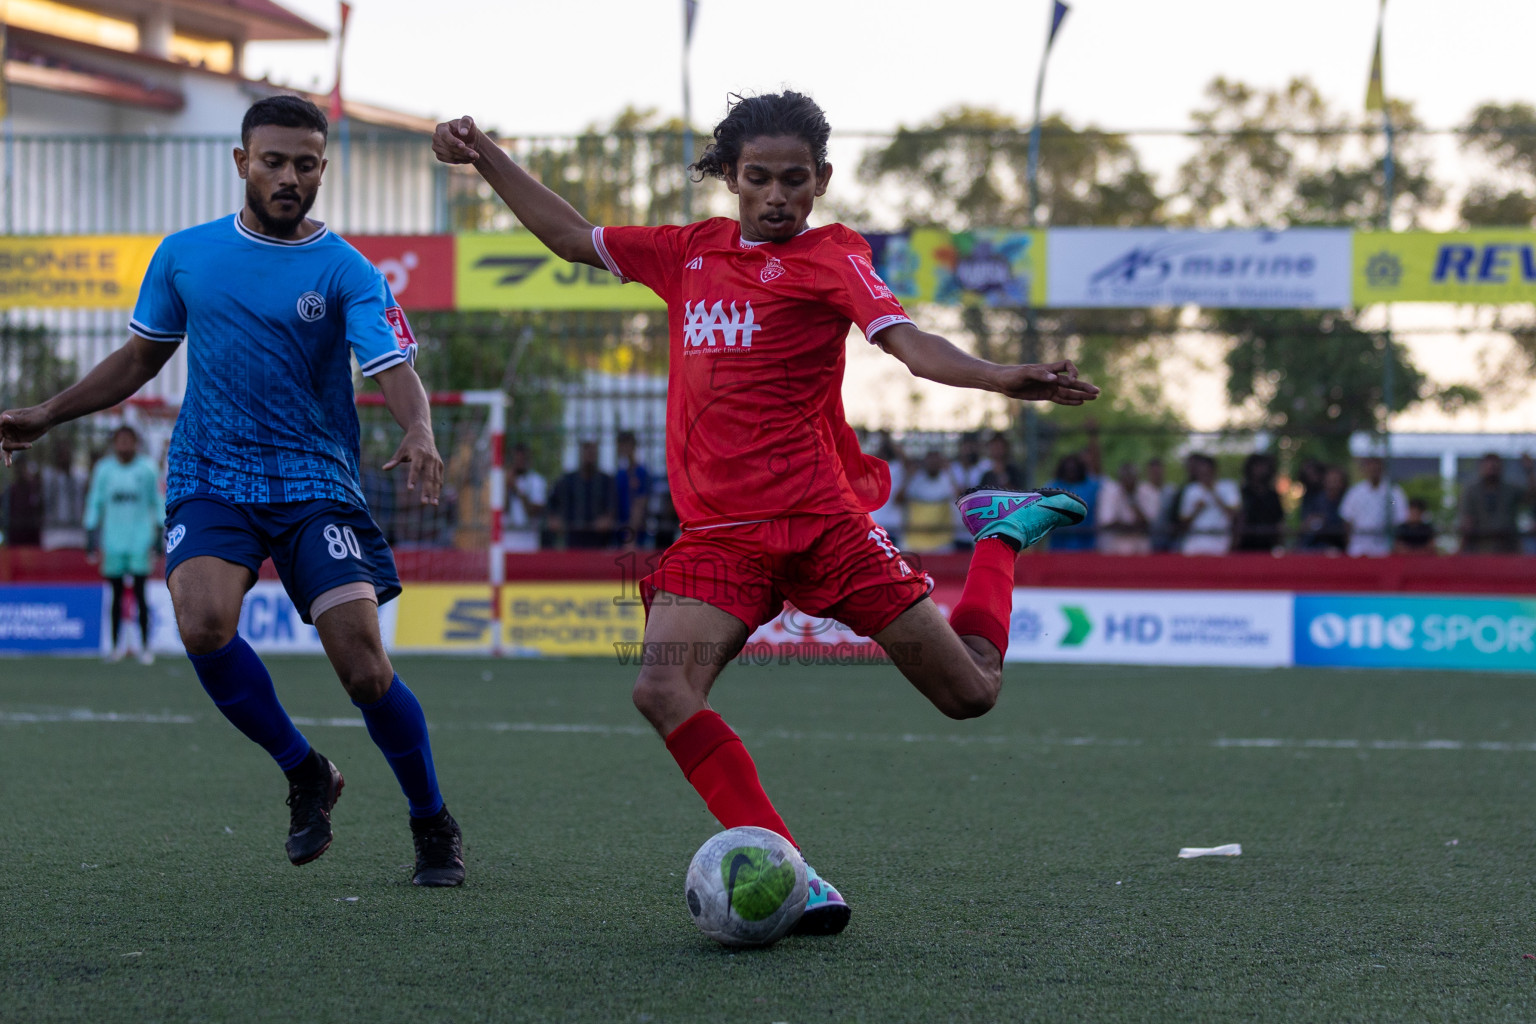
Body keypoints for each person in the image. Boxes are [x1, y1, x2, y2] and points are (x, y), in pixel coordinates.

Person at [435, 91, 1097, 934]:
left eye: (794, 180)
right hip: (720, 539)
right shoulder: (687, 253)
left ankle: (1000, 535)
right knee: (661, 687)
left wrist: (1000, 375)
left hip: (826, 527)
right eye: (759, 179)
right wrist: (483, 153)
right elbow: (571, 237)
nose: (777, 196)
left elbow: (907, 344)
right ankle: (798, 875)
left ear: (821, 180)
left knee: (971, 694)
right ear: (731, 180)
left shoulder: (833, 256)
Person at [0, 96, 463, 887]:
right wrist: (46, 413)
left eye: (306, 163)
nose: (290, 176)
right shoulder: (185, 255)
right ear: (242, 161)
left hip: (316, 481)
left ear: (323, 167)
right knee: (203, 622)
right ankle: (305, 771)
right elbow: (141, 359)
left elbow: (391, 368)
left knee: (363, 669)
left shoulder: (348, 269)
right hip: (211, 473)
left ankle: (431, 819)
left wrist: (417, 428)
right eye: (275, 160)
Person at [85, 426, 163, 663]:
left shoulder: (147, 469)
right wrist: (90, 533)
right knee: (116, 595)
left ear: (136, 443)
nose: (125, 446)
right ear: (114, 444)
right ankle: (116, 646)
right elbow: (94, 502)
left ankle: (145, 646)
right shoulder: (104, 470)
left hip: (140, 541)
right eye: (120, 441)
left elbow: (157, 501)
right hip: (113, 541)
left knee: (140, 594)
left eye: (129, 441)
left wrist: (159, 533)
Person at [548, 439, 615, 549]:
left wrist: (607, 519)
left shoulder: (605, 481)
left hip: (600, 541)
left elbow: (612, 507)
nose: (589, 453)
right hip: (573, 539)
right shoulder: (567, 480)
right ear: (580, 452)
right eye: (586, 448)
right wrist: (554, 519)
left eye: (592, 449)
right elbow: (552, 503)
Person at [1045, 423, 1101, 551]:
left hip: (1086, 547)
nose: (1071, 472)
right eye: (1068, 469)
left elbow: (1097, 467)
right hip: (1058, 547)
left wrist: (1093, 437)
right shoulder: (1052, 487)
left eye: (1074, 469)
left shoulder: (1091, 486)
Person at [1339, 456, 1407, 558]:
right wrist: (1349, 542)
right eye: (1371, 467)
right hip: (1358, 547)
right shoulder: (1355, 493)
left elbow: (1400, 518)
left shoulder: (1393, 493)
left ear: (1383, 469)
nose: (1374, 470)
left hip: (1384, 547)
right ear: (1365, 469)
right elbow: (1347, 518)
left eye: (1377, 467)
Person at [1458, 452, 1524, 554]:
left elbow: (1530, 496)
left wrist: (1529, 470)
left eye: (1495, 468)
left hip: (1507, 545)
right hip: (1480, 547)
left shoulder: (1510, 490)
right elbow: (1467, 518)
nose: (1492, 471)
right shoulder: (1472, 491)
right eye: (1489, 467)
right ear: (1481, 468)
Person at [1178, 453, 1239, 555]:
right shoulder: (1191, 490)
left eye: (1207, 472)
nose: (1204, 476)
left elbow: (1234, 515)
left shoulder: (1228, 486)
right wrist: (1197, 510)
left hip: (1219, 539)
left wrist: (1213, 493)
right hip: (1195, 540)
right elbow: (1183, 522)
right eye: (1201, 473)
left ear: (1214, 470)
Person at [900, 448, 960, 552]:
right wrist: (909, 476)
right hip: (915, 541)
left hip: (942, 542)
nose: (933, 463)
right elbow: (898, 499)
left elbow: (960, 497)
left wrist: (949, 472)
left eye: (936, 461)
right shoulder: (915, 479)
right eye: (930, 460)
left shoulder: (947, 479)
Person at [1096, 461, 1159, 555]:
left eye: (1132, 477)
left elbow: (1148, 522)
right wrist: (1132, 527)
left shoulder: (1147, 491)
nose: (1129, 480)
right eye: (1126, 477)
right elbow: (1106, 522)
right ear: (1120, 478)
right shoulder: (1110, 491)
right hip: (1116, 543)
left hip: (1140, 543)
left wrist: (1131, 498)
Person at [41, 441, 89, 550]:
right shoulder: (48, 477)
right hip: (53, 532)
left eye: (67, 454)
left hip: (76, 532)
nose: (64, 458)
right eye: (61, 454)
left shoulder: (80, 477)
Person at [1233, 453, 1284, 553]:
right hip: (1244, 545)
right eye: (1257, 466)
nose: (1261, 470)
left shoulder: (1273, 495)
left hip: (1267, 545)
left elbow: (1279, 521)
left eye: (1264, 466)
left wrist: (1280, 544)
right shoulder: (1242, 493)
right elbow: (1236, 517)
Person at [504, 441, 547, 552]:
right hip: (505, 545)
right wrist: (506, 487)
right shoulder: (503, 481)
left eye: (522, 459)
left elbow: (533, 512)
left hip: (528, 545)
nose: (519, 462)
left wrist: (517, 490)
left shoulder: (537, 481)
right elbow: (503, 509)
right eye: (516, 459)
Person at [614, 429, 653, 547]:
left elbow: (640, 505)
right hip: (618, 533)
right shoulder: (620, 474)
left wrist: (630, 536)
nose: (623, 448)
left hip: (636, 537)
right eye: (621, 445)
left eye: (626, 444)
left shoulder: (642, 473)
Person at [1297, 465, 1349, 553]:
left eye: (1336, 480)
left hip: (1339, 547)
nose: (1332, 484)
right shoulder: (1316, 500)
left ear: (1342, 483)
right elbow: (1305, 525)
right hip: (1315, 546)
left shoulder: (1347, 500)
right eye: (1330, 480)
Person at [949, 431, 986, 551]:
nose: (969, 450)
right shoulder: (953, 468)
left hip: (980, 528)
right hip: (958, 530)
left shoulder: (985, 466)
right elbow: (959, 495)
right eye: (966, 446)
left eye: (972, 445)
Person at [4, 453, 43, 545]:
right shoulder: (11, 490)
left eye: (22, 466)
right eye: (18, 466)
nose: (20, 470)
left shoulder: (34, 488)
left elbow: (40, 509)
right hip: (15, 535)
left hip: (32, 535)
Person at [1145, 457, 1181, 553]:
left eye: (1158, 471)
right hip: (1149, 536)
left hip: (1169, 536)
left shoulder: (1172, 490)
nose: (1156, 474)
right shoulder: (1143, 490)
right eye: (1153, 471)